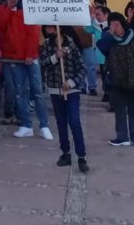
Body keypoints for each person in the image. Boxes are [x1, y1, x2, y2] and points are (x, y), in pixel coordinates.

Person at [0, 0, 53, 140]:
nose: (15, 2)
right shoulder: (0, 11)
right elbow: (1, 25)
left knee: (37, 91)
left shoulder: (27, 10)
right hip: (13, 57)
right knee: (19, 92)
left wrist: (29, 54)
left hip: (29, 57)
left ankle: (44, 125)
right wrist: (8, 8)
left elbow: (33, 33)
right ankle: (26, 124)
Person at [40, 26, 89, 173]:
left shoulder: (72, 44)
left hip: (71, 90)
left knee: (74, 121)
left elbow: (82, 68)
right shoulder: (47, 45)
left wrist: (71, 82)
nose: (48, 29)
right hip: (55, 90)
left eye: (51, 26)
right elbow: (42, 64)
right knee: (61, 123)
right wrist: (55, 57)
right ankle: (65, 153)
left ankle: (82, 156)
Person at [97, 11, 134, 147]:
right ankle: (122, 137)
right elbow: (101, 48)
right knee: (120, 109)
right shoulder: (109, 39)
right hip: (117, 80)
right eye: (111, 24)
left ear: (123, 24)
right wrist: (109, 34)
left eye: (117, 24)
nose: (114, 27)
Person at [85, 4, 111, 104]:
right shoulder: (95, 26)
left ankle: (109, 93)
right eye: (96, 14)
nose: (97, 16)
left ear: (106, 15)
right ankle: (106, 92)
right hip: (100, 54)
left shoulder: (111, 25)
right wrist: (91, 18)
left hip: (110, 54)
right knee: (104, 74)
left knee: (110, 74)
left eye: (99, 14)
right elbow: (86, 29)